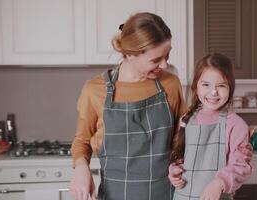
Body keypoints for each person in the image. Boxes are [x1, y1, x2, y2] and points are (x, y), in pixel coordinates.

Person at [69, 12, 187, 200]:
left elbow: (183, 137)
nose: (164, 65)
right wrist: (81, 168)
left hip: (167, 194)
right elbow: (82, 142)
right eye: (156, 59)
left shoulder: (170, 84)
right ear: (131, 54)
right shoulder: (94, 91)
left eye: (167, 55)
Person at [168, 52, 252, 200]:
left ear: (230, 88)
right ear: (196, 86)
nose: (213, 92)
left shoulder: (236, 125)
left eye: (221, 85)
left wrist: (219, 183)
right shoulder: (186, 120)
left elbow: (241, 166)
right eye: (206, 84)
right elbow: (179, 156)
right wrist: (174, 171)